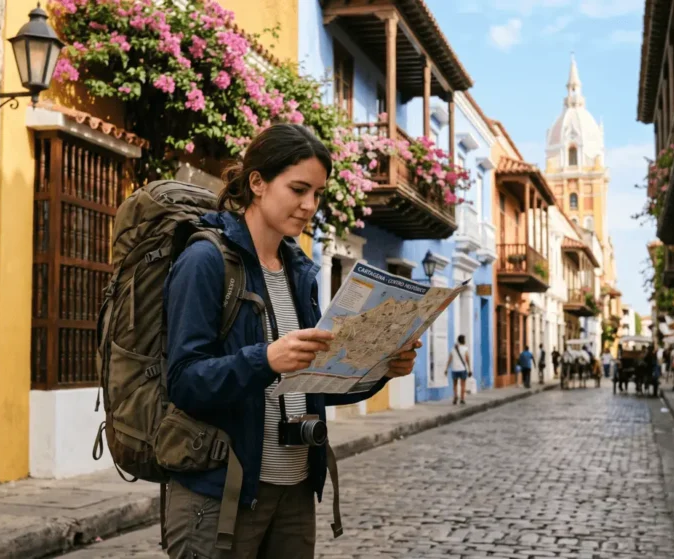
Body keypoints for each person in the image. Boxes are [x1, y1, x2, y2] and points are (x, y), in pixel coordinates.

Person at [163, 124, 420, 558]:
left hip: (297, 490)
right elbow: (184, 382)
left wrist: (380, 368)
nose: (309, 206)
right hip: (223, 493)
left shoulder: (299, 272)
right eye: (299, 189)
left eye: (317, 194)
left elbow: (313, 385)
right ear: (258, 183)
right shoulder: (205, 260)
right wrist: (266, 359)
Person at [446, 334, 472, 405]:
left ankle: (455, 397)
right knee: (463, 384)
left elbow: (449, 360)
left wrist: (446, 368)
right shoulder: (465, 349)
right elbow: (467, 360)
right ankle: (462, 399)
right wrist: (469, 369)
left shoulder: (453, 349)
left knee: (455, 384)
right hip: (462, 369)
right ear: (463, 340)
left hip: (454, 369)